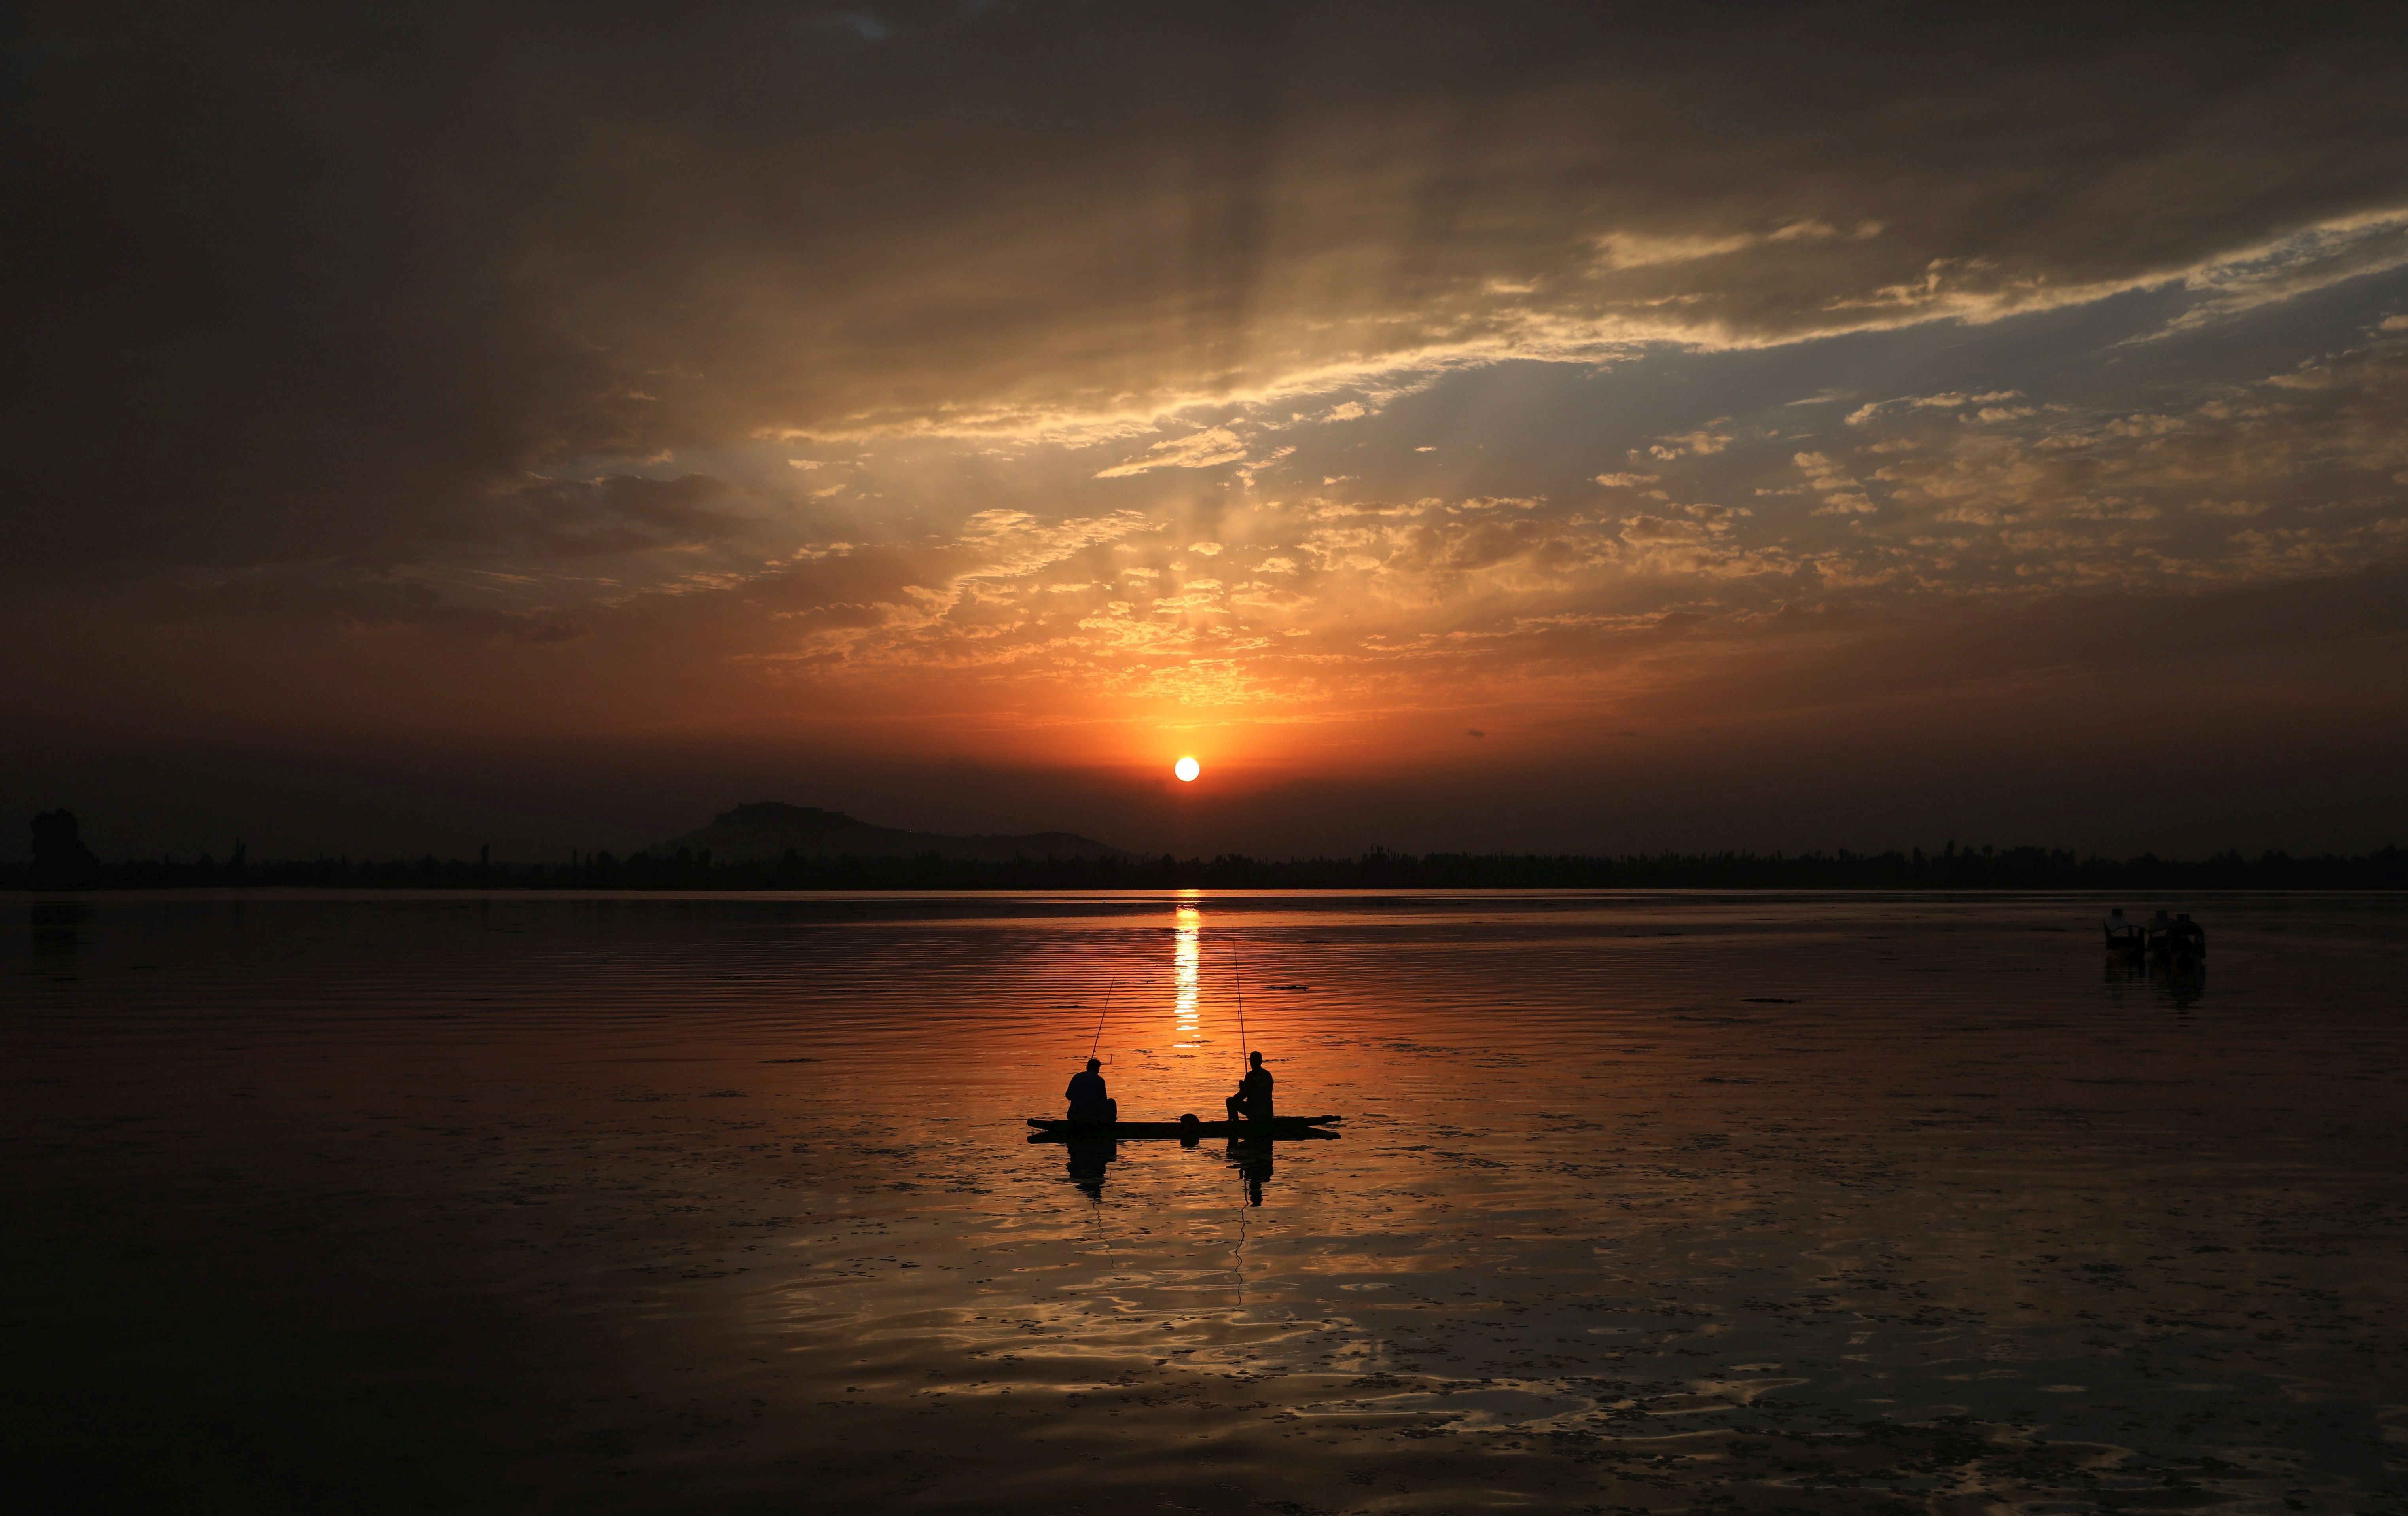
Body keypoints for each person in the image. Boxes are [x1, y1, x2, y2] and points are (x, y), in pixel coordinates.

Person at [1224, 1051, 1274, 1125]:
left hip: (1264, 1109)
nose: (1252, 1063)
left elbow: (1265, 1093)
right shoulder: (1249, 1076)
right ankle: (1235, 1124)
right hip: (1251, 1108)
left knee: (1258, 1113)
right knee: (1230, 1101)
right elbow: (1242, 1096)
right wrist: (1242, 1089)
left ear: (1260, 1062)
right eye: (1251, 1060)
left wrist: (1253, 1086)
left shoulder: (1266, 1075)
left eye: (1255, 1060)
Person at [1065, 1057, 1117, 1125]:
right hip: (1092, 1117)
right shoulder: (1100, 1081)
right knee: (1112, 1102)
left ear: (1087, 1067)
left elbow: (1068, 1096)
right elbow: (1103, 1101)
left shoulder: (1077, 1077)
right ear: (1098, 1069)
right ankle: (1111, 1123)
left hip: (1073, 1115)